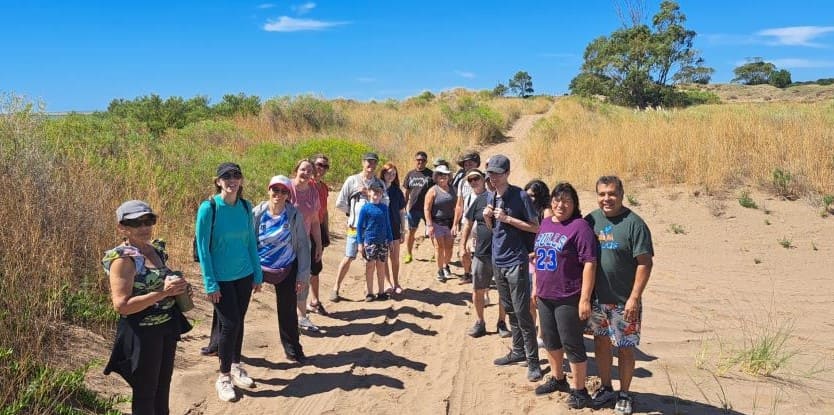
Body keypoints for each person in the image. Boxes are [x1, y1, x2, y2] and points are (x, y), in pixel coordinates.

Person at [103, 200, 192, 415]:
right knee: (145, 393)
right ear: (122, 227)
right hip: (142, 332)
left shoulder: (155, 250)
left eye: (149, 220)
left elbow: (162, 282)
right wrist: (163, 293)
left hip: (166, 327)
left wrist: (182, 289)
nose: (144, 227)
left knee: (162, 387)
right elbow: (122, 306)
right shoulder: (123, 259)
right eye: (136, 223)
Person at [584, 176, 654, 415]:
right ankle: (606, 387)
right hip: (597, 299)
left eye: (612, 194)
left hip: (624, 302)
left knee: (624, 347)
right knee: (601, 342)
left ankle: (624, 393)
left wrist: (635, 297)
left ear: (622, 195)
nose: (607, 199)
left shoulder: (634, 224)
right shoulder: (591, 220)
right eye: (602, 194)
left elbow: (645, 263)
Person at [195, 162, 262, 402]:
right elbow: (203, 249)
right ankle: (223, 377)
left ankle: (235, 365)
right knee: (230, 324)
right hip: (221, 279)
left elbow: (251, 242)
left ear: (241, 180)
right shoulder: (209, 208)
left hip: (244, 275)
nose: (232, 180)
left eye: (236, 175)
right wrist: (210, 283)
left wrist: (257, 273)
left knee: (239, 322)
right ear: (218, 181)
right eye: (226, 176)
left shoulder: (246, 206)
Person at [532, 183, 597, 409]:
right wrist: (535, 287)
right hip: (545, 294)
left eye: (567, 201)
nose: (561, 205)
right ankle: (558, 378)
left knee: (572, 343)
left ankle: (580, 391)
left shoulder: (580, 227)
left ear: (574, 204)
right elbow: (539, 257)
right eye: (557, 200)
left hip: (568, 295)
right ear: (551, 202)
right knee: (550, 340)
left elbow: (589, 263)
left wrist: (585, 298)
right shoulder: (546, 223)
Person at [482, 154, 542, 382]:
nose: (494, 177)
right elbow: (495, 230)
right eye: (491, 173)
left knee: (522, 311)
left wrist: (508, 219)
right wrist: (488, 219)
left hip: (516, 260)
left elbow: (535, 227)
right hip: (498, 260)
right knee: (509, 309)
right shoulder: (491, 195)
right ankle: (518, 351)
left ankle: (533, 361)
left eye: (498, 173)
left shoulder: (520, 196)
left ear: (507, 173)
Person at [253, 175, 311, 364]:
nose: (278, 194)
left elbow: (303, 246)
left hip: (286, 267)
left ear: (288, 195)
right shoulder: (256, 213)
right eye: (275, 190)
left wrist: (302, 275)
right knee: (237, 308)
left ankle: (293, 350)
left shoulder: (294, 215)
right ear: (268, 190)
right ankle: (221, 346)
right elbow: (248, 241)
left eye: (283, 191)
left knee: (288, 310)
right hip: (258, 266)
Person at [331, 152, 388, 302]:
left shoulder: (379, 183)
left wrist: (370, 195)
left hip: (373, 230)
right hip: (355, 228)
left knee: (370, 261)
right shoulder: (352, 180)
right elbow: (340, 202)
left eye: (374, 162)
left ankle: (368, 291)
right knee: (349, 256)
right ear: (363, 162)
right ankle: (336, 288)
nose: (371, 165)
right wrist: (352, 213)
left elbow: (386, 201)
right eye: (368, 162)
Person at [290, 159, 323, 332]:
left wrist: (318, 244)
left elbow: (315, 221)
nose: (306, 173)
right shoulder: (286, 188)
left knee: (303, 278)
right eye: (303, 169)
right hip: (286, 243)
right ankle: (289, 318)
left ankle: (302, 316)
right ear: (296, 170)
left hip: (305, 243)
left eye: (309, 171)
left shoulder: (313, 192)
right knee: (288, 280)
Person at [460, 169, 492, 337]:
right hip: (480, 249)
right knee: (477, 286)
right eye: (470, 180)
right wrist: (462, 244)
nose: (473, 182)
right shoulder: (477, 200)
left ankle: (502, 322)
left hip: (501, 252)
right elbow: (467, 222)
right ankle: (480, 322)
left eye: (476, 179)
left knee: (503, 290)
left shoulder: (500, 198)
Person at [355, 181, 395, 301]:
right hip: (370, 241)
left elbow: (388, 225)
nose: (377, 194)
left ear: (382, 194)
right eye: (374, 191)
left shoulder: (384, 208)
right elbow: (359, 227)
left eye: (379, 192)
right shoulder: (365, 208)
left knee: (381, 266)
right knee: (370, 266)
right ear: (369, 192)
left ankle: (381, 292)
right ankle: (370, 292)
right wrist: (360, 243)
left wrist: (391, 240)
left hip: (383, 241)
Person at [524, 179, 551, 348]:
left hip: (540, 258)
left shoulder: (546, 211)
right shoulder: (525, 209)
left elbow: (547, 234)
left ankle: (542, 334)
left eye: (532, 196)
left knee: (539, 299)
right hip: (527, 257)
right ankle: (533, 332)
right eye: (527, 195)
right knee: (529, 298)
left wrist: (535, 253)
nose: (529, 199)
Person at [424, 163, 457, 282]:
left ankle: (446, 265)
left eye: (445, 175)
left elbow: (458, 207)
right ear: (436, 177)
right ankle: (440, 270)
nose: (443, 177)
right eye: (440, 175)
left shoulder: (454, 190)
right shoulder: (432, 191)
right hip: (436, 222)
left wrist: (456, 223)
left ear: (449, 176)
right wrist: (429, 225)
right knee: (439, 247)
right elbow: (427, 209)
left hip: (450, 223)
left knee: (449, 247)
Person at [452, 151, 481, 283]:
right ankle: (467, 273)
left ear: (477, 164)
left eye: (470, 163)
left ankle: (479, 275)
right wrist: (455, 223)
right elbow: (459, 204)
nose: (468, 165)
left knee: (479, 250)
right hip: (466, 220)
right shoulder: (462, 182)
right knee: (463, 249)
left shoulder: (484, 179)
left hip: (481, 221)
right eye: (466, 164)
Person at [308, 154, 331, 315]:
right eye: (319, 165)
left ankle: (314, 300)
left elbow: (325, 210)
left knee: (315, 266)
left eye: (325, 166)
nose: (321, 168)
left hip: (319, 229)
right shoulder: (306, 185)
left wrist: (326, 232)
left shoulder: (323, 187)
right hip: (305, 229)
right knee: (304, 267)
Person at [380, 162, 407, 295]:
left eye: (394, 174)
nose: (391, 176)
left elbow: (402, 212)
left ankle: (396, 283)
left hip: (395, 227)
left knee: (395, 258)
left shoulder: (397, 191)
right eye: (389, 173)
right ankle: (387, 282)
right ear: (383, 173)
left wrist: (403, 230)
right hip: (381, 228)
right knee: (384, 257)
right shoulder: (378, 189)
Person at [402, 151, 433, 264]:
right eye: (418, 160)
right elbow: (407, 192)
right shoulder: (410, 174)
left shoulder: (431, 174)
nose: (420, 162)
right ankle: (408, 254)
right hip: (413, 208)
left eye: (423, 160)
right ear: (415, 160)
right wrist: (404, 205)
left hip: (427, 209)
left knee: (432, 231)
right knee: (411, 231)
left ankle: (436, 253)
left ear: (426, 161)